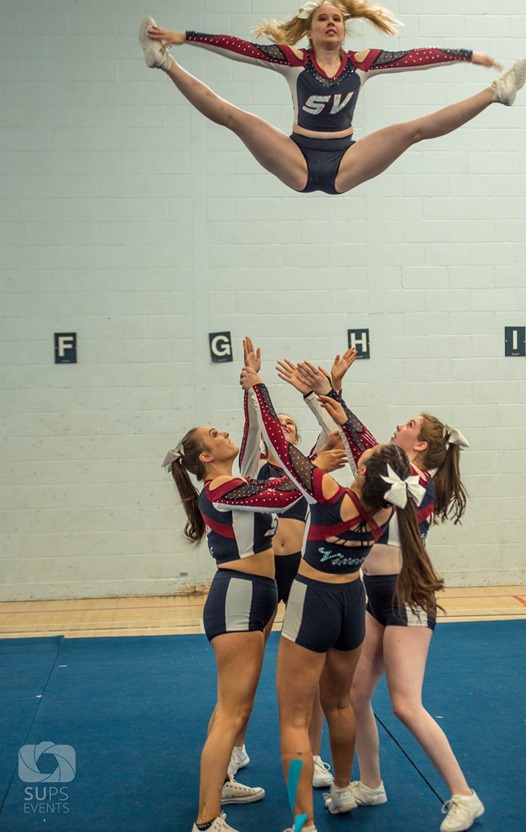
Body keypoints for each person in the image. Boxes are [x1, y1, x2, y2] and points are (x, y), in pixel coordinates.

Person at [239, 362, 445, 832]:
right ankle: (343, 789)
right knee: (339, 705)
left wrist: (259, 389)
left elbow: (280, 446)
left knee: (294, 719)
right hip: (353, 605)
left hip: (314, 601)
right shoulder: (385, 509)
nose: (359, 452)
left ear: (364, 471)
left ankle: (302, 822)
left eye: (363, 456)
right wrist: (332, 400)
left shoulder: (330, 495)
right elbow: (365, 447)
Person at [294, 360, 483, 832]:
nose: (400, 424)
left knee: (405, 704)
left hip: (407, 596)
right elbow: (361, 448)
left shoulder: (417, 483)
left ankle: (464, 795)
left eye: (410, 424)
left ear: (419, 446)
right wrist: (325, 396)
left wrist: (334, 400)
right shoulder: (393, 473)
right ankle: (372, 783)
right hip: (372, 595)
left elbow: (363, 447)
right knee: (354, 694)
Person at [137, 0, 526, 195]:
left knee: (413, 131)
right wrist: (185, 37)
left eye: (337, 19)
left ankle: (498, 91)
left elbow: (415, 57)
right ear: (309, 32)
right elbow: (239, 48)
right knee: (234, 118)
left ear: (343, 30)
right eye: (322, 19)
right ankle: (164, 62)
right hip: (298, 157)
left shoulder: (362, 62)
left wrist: (466, 56)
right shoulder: (293, 60)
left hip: (345, 160)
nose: (330, 23)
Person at [163, 422, 306, 832]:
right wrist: (318, 466)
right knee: (231, 712)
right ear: (205, 457)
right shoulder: (222, 488)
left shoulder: (234, 482)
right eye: (214, 434)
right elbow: (287, 494)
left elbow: (257, 441)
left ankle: (221, 785)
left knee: (233, 705)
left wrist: (254, 389)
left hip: (255, 593)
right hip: (238, 596)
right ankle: (207, 820)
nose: (224, 433)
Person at [233, 338, 351, 789]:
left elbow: (332, 431)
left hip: (301, 571)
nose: (284, 427)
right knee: (250, 665)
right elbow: (254, 429)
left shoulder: (307, 468)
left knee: (312, 670)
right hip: (264, 570)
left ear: (298, 440)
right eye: (278, 424)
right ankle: (237, 746)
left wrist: (327, 391)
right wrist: (252, 387)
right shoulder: (253, 470)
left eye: (290, 426)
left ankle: (314, 756)